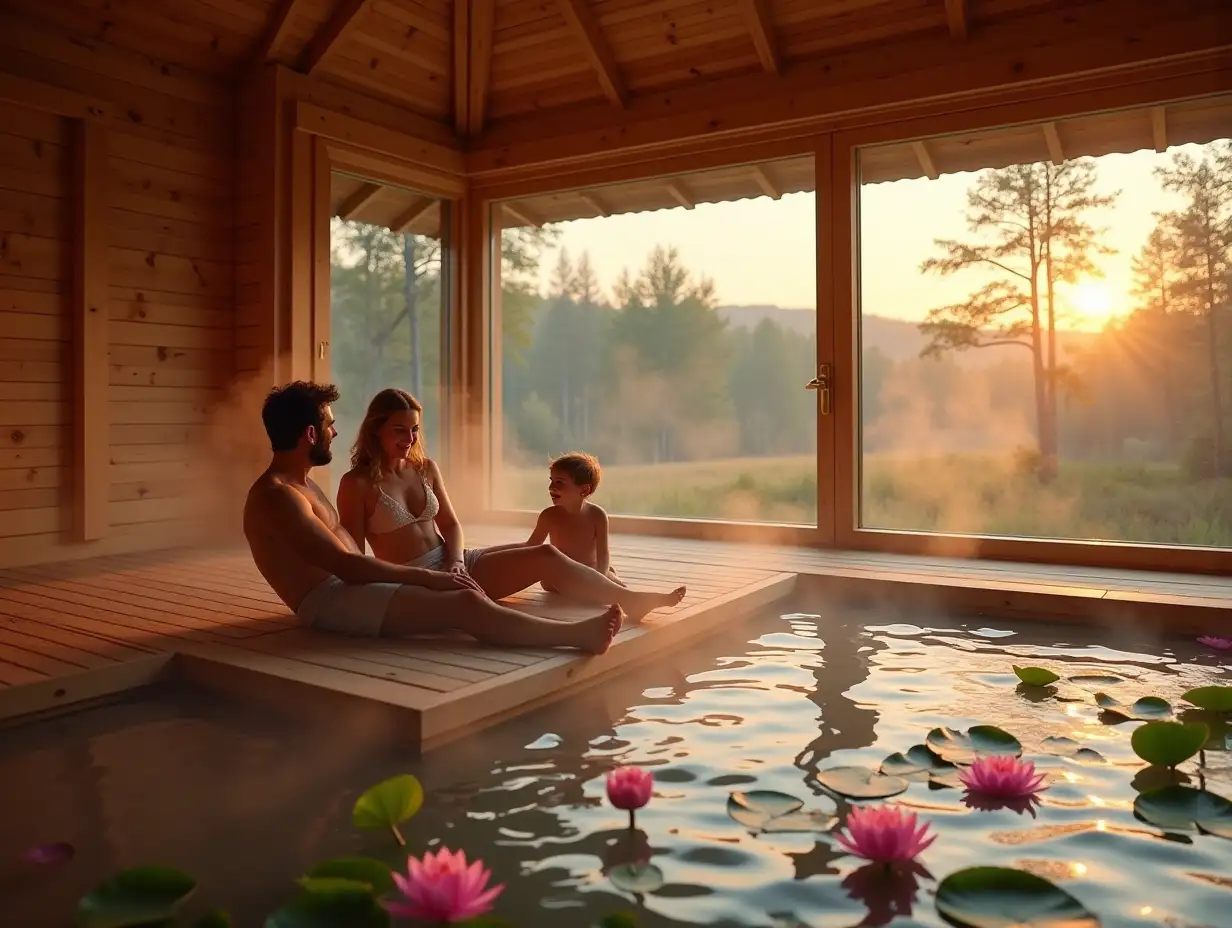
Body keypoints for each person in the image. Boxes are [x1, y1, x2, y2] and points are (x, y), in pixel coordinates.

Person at [242, 381, 623, 652]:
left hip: (353, 588)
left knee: (502, 576)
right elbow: (349, 565)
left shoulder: (303, 484)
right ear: (311, 434)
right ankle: (576, 636)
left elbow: (355, 562)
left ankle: (619, 604)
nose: (335, 431)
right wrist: (430, 580)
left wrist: (444, 571)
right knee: (465, 606)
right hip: (330, 602)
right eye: (328, 424)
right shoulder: (279, 497)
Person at [335, 388, 685, 623]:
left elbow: (452, 526)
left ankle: (628, 599)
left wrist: (456, 561)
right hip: (418, 580)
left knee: (545, 555)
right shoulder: (357, 485)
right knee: (536, 561)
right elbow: (353, 557)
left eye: (414, 430)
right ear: (375, 429)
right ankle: (625, 600)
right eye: (399, 430)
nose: (409, 439)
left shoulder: (425, 469)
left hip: (457, 562)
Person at [525, 451, 626, 592]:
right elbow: (530, 547)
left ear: (584, 490)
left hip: (591, 570)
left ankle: (609, 577)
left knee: (613, 587)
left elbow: (603, 553)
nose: (550, 487)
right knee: (548, 583)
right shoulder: (548, 516)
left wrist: (600, 578)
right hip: (562, 572)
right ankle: (588, 588)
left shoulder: (597, 515)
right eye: (551, 480)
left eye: (559, 482)